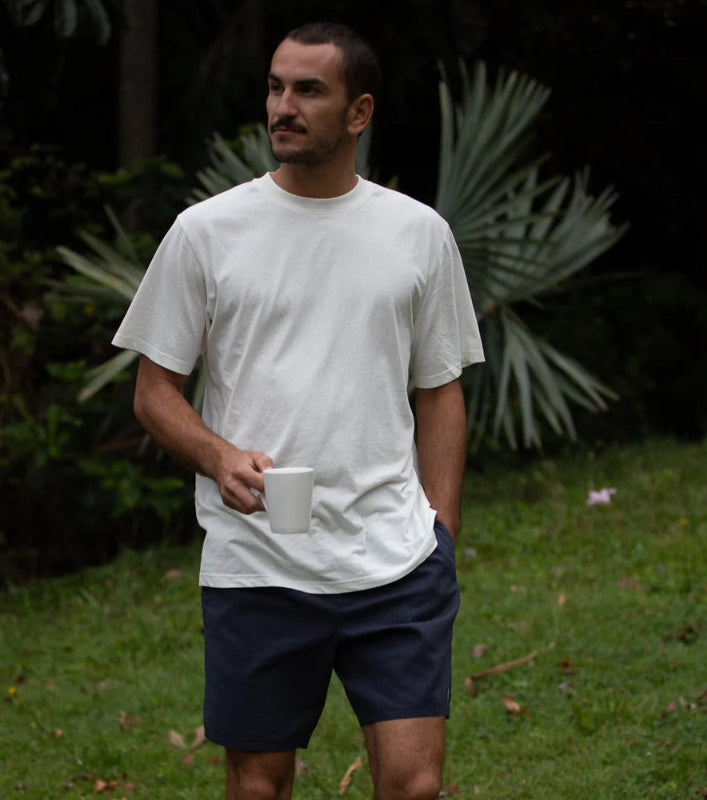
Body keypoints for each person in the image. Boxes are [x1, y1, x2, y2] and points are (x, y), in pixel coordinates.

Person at [112, 21, 484, 800]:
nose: (284, 105)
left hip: (396, 562)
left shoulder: (417, 234)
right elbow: (154, 392)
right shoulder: (205, 234)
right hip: (258, 564)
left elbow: (440, 388)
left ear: (359, 112)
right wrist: (217, 456)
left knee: (415, 787)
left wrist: (441, 531)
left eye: (309, 89)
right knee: (257, 787)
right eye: (277, 87)